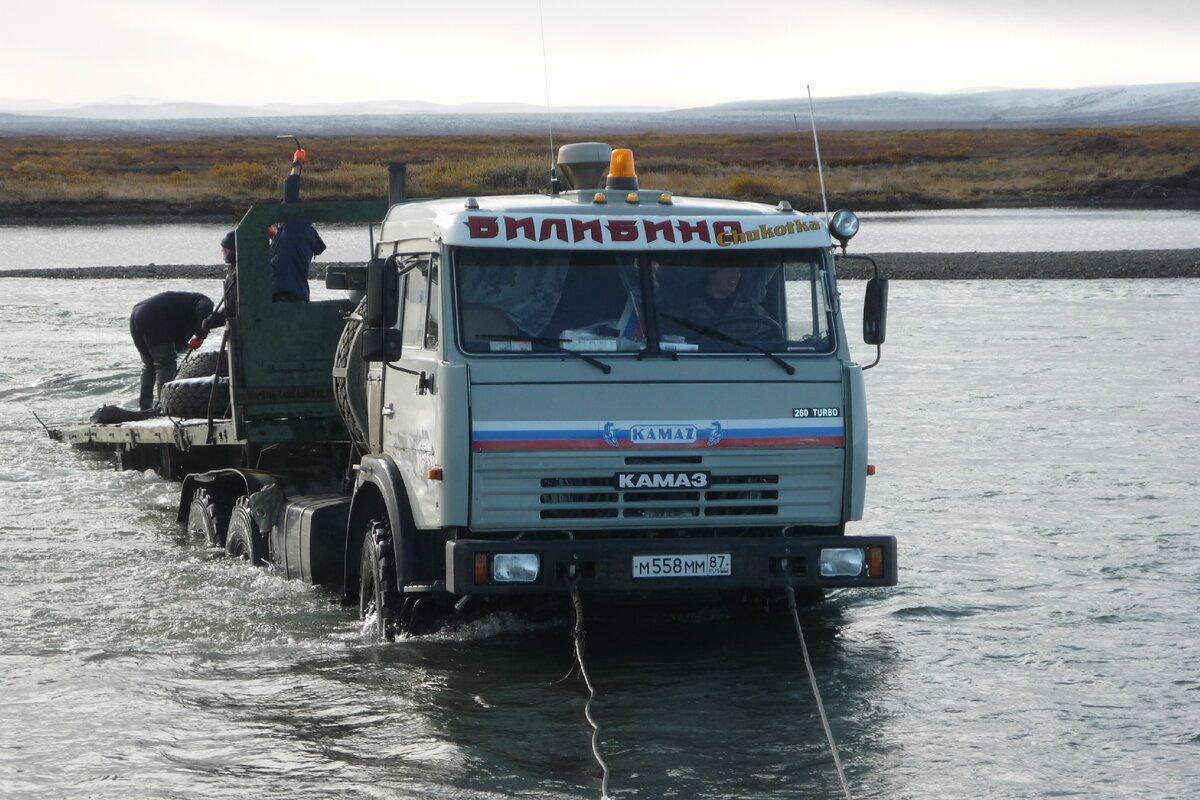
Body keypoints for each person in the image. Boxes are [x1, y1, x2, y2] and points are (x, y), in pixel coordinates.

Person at [129, 291, 215, 411]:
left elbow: (177, 339)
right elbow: (205, 310)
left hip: (136, 313)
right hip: (153, 314)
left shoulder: (182, 306)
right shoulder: (204, 301)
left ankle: (145, 407)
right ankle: (166, 407)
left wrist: (189, 344)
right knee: (166, 363)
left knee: (149, 366)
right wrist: (201, 334)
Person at [269, 150, 326, 302]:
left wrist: (297, 163)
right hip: (291, 296)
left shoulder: (296, 228)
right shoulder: (296, 234)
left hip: (288, 299)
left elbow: (290, 194)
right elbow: (284, 253)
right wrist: (272, 235)